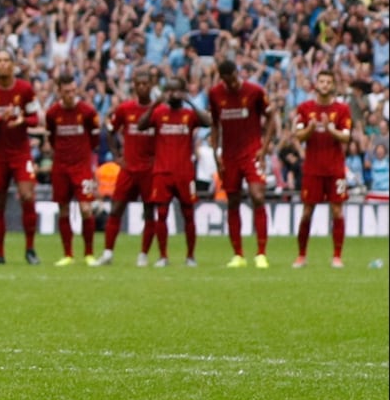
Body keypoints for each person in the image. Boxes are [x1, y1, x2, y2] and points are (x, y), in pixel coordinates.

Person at [208, 59, 277, 268]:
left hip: (251, 153)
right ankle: (238, 254)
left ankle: (261, 253)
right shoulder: (215, 94)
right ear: (222, 79)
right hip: (229, 156)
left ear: (237, 73)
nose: (231, 84)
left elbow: (271, 116)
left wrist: (264, 149)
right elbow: (214, 124)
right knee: (233, 201)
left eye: (233, 79)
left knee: (258, 196)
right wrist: (215, 153)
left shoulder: (254, 91)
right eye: (227, 81)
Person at [137, 78, 212, 267]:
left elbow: (208, 121)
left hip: (184, 173)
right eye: (169, 91)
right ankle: (163, 256)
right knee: (161, 214)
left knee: (188, 214)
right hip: (162, 172)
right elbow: (140, 125)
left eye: (176, 91)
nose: (172, 94)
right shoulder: (159, 113)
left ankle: (190, 256)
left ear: (182, 92)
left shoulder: (189, 114)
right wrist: (155, 103)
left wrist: (190, 101)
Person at [0, 50, 42, 265]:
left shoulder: (24, 89)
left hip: (20, 152)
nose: (3, 64)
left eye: (6, 60)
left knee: (27, 196)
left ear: (13, 64)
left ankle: (30, 249)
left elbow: (35, 119)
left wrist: (23, 120)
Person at [94, 69, 157, 267]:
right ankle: (107, 253)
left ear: (151, 85)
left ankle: (143, 255)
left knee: (149, 212)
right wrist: (116, 156)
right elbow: (110, 131)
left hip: (149, 170)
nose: (141, 87)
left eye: (145, 84)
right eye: (138, 84)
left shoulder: (158, 110)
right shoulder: (125, 109)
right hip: (128, 168)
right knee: (116, 208)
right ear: (134, 86)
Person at [292, 70, 352, 268]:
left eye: (328, 81)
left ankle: (337, 256)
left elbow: (346, 137)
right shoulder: (305, 108)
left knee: (337, 211)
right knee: (307, 211)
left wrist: (330, 128)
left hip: (335, 169)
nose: (325, 84)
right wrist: (310, 128)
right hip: (312, 168)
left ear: (333, 85)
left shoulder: (342, 109)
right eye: (322, 81)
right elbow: (298, 136)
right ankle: (301, 255)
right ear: (316, 84)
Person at [45, 73, 102, 266]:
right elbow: (52, 138)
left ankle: (89, 253)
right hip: (60, 167)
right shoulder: (52, 113)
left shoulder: (87, 112)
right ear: (59, 91)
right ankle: (68, 254)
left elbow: (95, 140)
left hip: (81, 168)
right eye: (66, 91)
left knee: (86, 209)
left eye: (73, 90)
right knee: (63, 209)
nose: (70, 94)